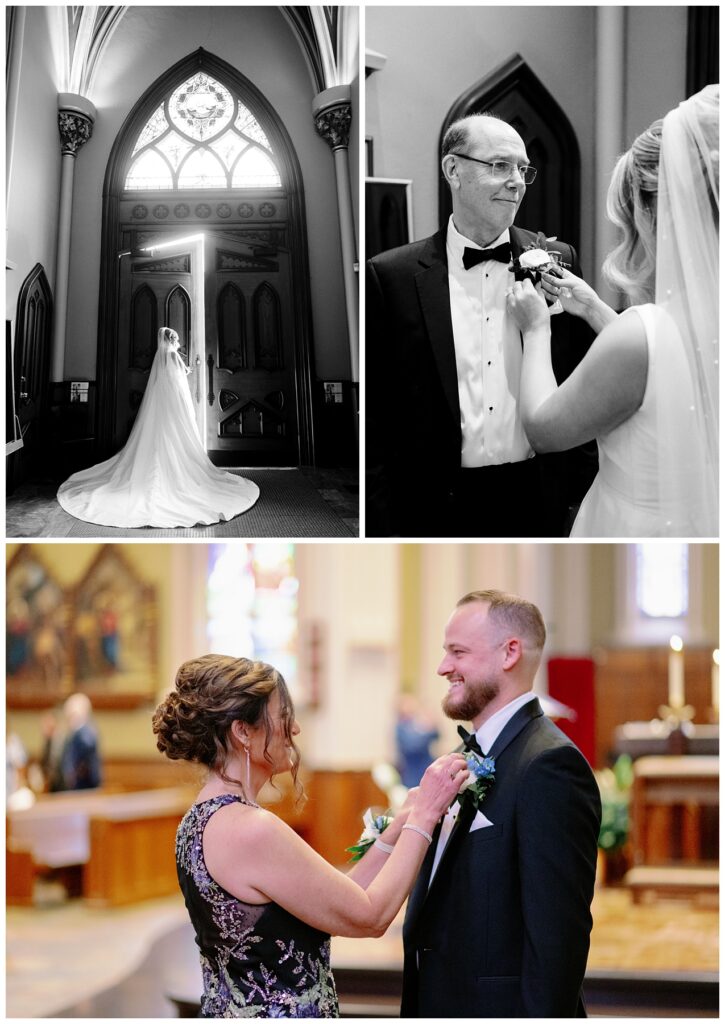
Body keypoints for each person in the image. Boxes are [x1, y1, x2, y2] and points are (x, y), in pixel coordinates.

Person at [152, 654, 467, 1018]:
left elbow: (340, 900)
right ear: (243, 732)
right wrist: (426, 816)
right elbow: (370, 917)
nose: (296, 728)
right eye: (284, 715)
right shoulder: (252, 830)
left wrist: (396, 832)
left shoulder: (198, 820)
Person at [366, 113, 597, 538]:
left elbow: (580, 379)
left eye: (523, 169)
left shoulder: (558, 261)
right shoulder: (391, 276)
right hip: (433, 505)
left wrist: (577, 497)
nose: (516, 182)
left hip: (539, 498)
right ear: (453, 170)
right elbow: (379, 417)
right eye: (500, 166)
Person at [507, 85, 718, 536]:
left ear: (651, 212)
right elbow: (672, 366)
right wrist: (595, 309)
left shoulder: (640, 335)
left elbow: (543, 430)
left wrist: (537, 329)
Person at [402, 590, 601, 1018]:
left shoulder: (549, 765)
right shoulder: (463, 759)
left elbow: (556, 942)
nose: (442, 667)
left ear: (510, 653)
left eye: (458, 652)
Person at [57, 328, 260, 528]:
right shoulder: (173, 355)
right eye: (176, 339)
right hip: (173, 402)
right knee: (174, 435)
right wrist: (187, 370)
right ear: (172, 340)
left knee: (157, 435)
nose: (177, 343)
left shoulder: (160, 356)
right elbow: (180, 376)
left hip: (160, 403)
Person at [59, 692, 102, 790]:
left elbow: (84, 754)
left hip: (84, 784)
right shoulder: (83, 731)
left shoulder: (84, 733)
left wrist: (73, 774)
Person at [395, 694, 440, 788]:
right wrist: (427, 731)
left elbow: (436, 735)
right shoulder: (400, 727)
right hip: (412, 774)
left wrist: (432, 724)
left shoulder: (417, 724)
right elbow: (412, 747)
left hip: (427, 769)